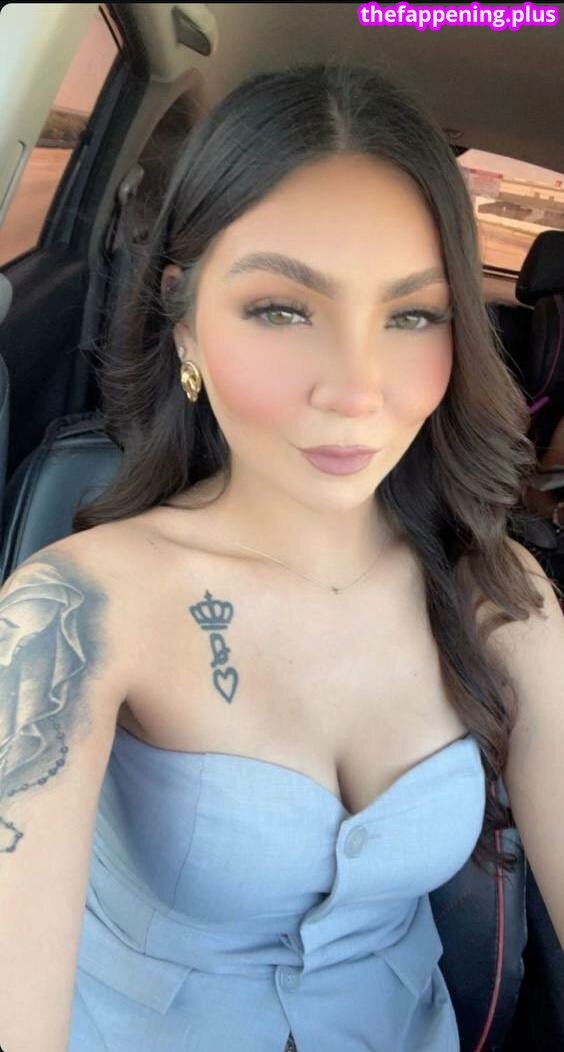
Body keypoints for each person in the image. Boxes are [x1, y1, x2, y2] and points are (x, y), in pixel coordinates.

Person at [2, 62, 563, 1052]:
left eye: (411, 315)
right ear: (184, 320)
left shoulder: (502, 596)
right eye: (281, 308)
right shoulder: (77, 613)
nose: (356, 389)